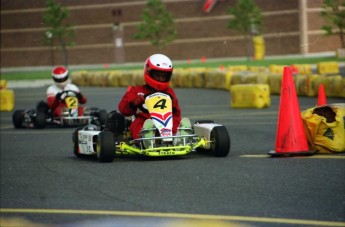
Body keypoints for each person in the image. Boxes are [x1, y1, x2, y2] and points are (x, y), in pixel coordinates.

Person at [118, 54, 182, 140]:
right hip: (145, 120)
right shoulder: (137, 90)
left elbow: (177, 113)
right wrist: (133, 103)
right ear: (148, 72)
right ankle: (145, 138)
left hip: (166, 120)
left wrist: (173, 106)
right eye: (158, 75)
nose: (160, 79)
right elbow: (122, 109)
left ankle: (177, 135)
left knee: (175, 120)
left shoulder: (169, 92)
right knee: (137, 123)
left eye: (164, 76)